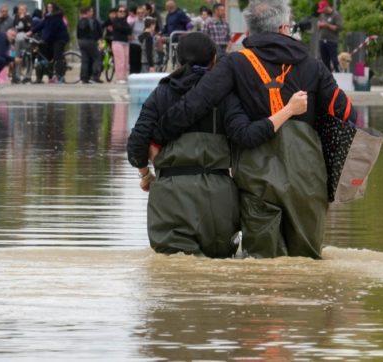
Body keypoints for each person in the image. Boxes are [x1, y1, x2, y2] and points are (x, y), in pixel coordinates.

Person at [154, 0, 357, 259]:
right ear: (284, 27)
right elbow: (348, 114)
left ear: (249, 31)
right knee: (308, 263)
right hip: (307, 177)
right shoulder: (312, 65)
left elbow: (194, 104)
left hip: (256, 177)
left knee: (262, 265)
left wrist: (158, 135)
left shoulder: (235, 63)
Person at [127, 32, 307, 258]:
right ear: (214, 59)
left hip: (169, 194)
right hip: (218, 198)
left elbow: (136, 144)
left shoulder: (160, 94)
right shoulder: (225, 96)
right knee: (218, 271)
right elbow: (247, 136)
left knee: (172, 279)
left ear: (178, 58)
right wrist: (289, 110)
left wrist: (145, 174)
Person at [28, 2, 69, 83]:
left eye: (50, 7)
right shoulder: (48, 17)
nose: (49, 9)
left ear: (54, 8)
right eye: (48, 7)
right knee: (46, 57)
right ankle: (47, 77)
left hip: (59, 39)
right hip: (51, 39)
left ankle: (60, 77)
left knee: (58, 57)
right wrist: (31, 31)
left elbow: (52, 31)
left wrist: (44, 39)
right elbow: (41, 25)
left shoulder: (57, 17)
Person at [77, 6, 103, 83]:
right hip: (90, 41)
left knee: (85, 60)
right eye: (91, 11)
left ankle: (84, 78)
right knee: (97, 57)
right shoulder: (91, 21)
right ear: (87, 12)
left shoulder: (80, 21)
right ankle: (94, 76)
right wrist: (98, 41)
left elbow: (77, 33)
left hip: (81, 41)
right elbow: (97, 33)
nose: (92, 13)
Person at [317, 0, 342, 72]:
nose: (322, 11)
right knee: (324, 60)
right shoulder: (322, 15)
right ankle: (327, 75)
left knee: (334, 60)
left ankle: (338, 73)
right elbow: (319, 25)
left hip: (332, 41)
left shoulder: (336, 15)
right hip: (322, 40)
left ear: (327, 7)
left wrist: (327, 25)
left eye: (323, 9)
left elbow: (338, 28)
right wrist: (319, 25)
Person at [110, 5, 131, 83]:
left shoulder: (125, 21)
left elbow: (129, 30)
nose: (122, 13)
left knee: (126, 60)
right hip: (117, 42)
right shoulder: (115, 20)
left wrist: (125, 29)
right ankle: (119, 78)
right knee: (120, 60)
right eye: (120, 11)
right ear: (117, 12)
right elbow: (119, 28)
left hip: (125, 42)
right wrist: (125, 29)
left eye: (124, 11)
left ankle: (124, 76)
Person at [11, 3, 32, 83]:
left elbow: (29, 27)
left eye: (23, 9)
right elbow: (14, 27)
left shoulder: (28, 17)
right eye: (20, 9)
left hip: (25, 40)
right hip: (17, 40)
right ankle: (16, 76)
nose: (21, 11)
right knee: (17, 57)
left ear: (26, 10)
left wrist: (23, 19)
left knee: (27, 58)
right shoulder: (16, 17)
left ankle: (28, 76)